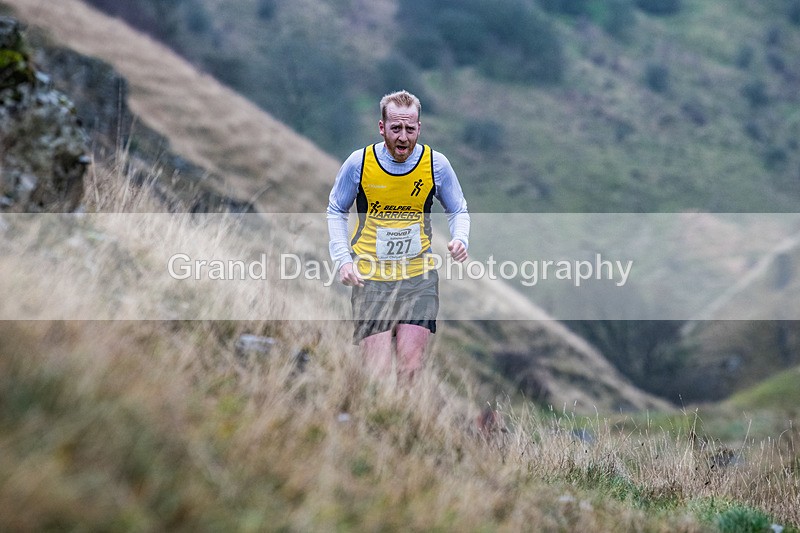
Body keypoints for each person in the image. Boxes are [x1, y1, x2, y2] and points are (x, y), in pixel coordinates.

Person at [327, 90, 470, 382]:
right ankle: (374, 423)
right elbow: (335, 210)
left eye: (410, 128)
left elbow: (458, 208)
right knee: (376, 373)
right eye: (395, 129)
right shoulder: (359, 163)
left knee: (410, 368)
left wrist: (460, 239)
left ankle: (405, 425)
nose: (403, 137)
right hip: (371, 279)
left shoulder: (436, 164)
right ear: (382, 128)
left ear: (420, 127)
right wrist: (343, 260)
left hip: (419, 278)